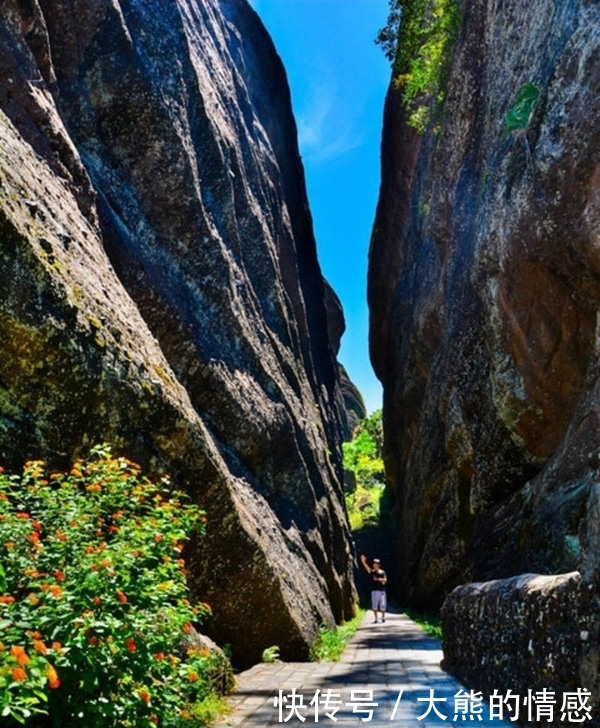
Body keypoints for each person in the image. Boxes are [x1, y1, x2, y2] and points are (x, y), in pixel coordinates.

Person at [360, 554, 387, 623]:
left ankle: (383, 617)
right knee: (375, 605)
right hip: (374, 591)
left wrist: (378, 579)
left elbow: (385, 580)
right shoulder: (372, 572)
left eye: (376, 564)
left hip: (382, 591)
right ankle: (376, 618)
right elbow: (367, 568)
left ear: (379, 565)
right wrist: (363, 562)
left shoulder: (382, 572)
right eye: (374, 564)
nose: (375, 565)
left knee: (383, 605)